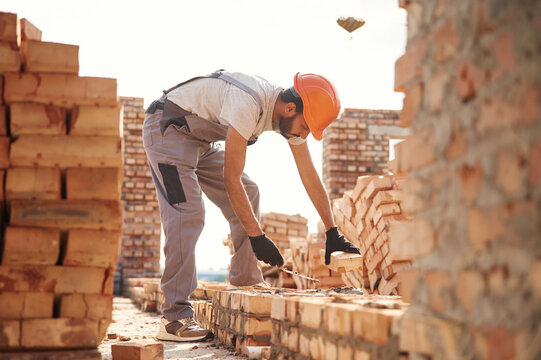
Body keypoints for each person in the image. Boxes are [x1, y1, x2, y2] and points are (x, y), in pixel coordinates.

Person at [142, 70, 360, 342]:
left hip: (198, 140)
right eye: (305, 127)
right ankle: (174, 317)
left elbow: (309, 175)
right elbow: (231, 179)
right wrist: (257, 236)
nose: (304, 134)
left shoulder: (287, 113)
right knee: (188, 213)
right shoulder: (249, 102)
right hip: (167, 130)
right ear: (291, 108)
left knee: (251, 191)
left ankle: (245, 279)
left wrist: (332, 231)